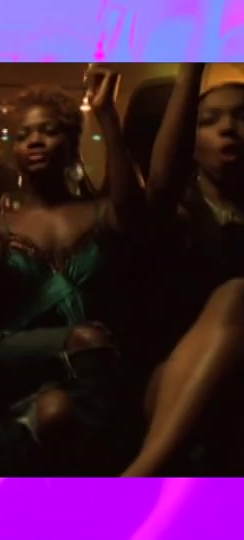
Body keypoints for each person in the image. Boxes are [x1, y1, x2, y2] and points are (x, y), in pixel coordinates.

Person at [0, 67, 145, 475]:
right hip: (6, 356)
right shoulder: (2, 222)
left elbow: (134, 210)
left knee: (55, 411)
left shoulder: (99, 211)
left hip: (78, 373)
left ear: (72, 143)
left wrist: (107, 116)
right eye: (23, 135)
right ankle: (124, 481)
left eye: (49, 131)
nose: (34, 140)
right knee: (89, 339)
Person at [123, 65, 244, 476]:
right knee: (236, 295)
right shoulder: (177, 212)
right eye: (209, 120)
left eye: (241, 117)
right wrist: (194, 60)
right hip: (167, 385)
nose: (228, 128)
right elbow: (161, 182)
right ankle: (140, 479)